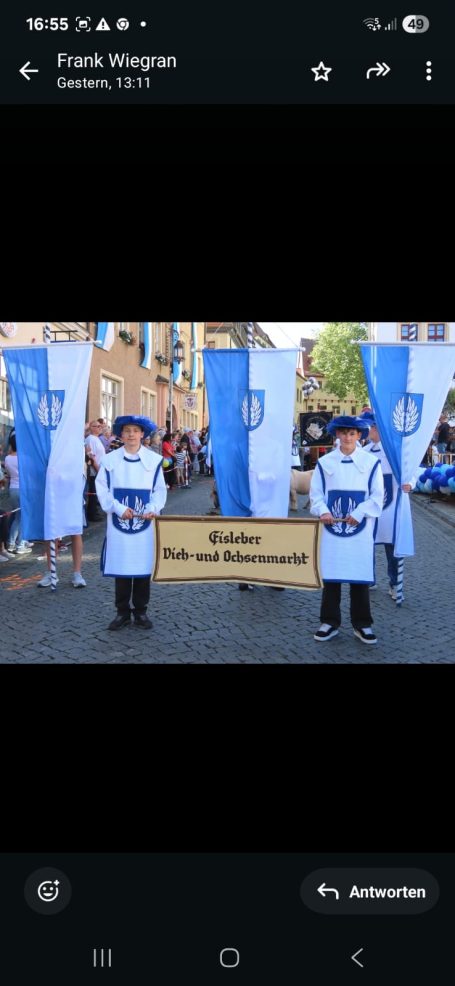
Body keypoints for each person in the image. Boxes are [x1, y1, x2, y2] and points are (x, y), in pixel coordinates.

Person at [310, 415, 384, 645]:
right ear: (337, 435)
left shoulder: (371, 463)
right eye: (343, 433)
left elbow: (377, 496)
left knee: (358, 575)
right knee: (332, 575)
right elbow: (316, 494)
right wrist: (322, 510)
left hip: (359, 530)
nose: (347, 437)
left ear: (359, 435)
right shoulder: (325, 463)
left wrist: (360, 512)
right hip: (332, 527)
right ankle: (329, 622)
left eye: (352, 434)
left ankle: (362, 624)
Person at [95, 415, 167, 630]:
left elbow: (159, 490)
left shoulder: (153, 461)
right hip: (119, 525)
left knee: (143, 567)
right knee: (123, 567)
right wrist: (118, 508)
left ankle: (141, 611)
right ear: (121, 434)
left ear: (142, 434)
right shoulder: (109, 461)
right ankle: (122, 612)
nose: (131, 435)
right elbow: (103, 489)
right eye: (127, 431)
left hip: (145, 525)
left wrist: (152, 508)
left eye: (135, 431)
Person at [361, 411, 414, 600]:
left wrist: (410, 483)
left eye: (372, 428)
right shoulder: (363, 452)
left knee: (392, 547)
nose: (369, 431)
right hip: (370, 506)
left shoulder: (394, 452)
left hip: (390, 507)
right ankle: (369, 579)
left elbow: (409, 471)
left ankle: (394, 583)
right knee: (367, 544)